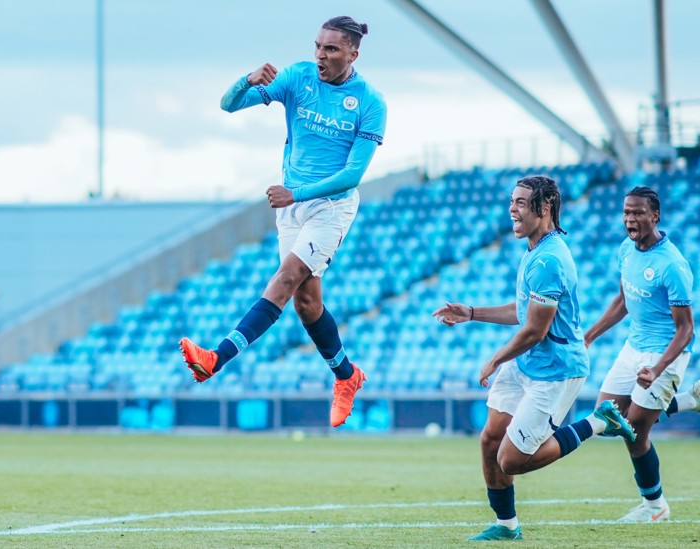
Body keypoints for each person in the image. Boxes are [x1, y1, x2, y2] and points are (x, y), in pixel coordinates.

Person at [178, 16, 387, 428]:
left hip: (331, 206)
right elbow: (229, 104)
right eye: (317, 46)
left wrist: (297, 193)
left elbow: (352, 175)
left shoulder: (369, 102)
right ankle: (347, 376)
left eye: (331, 49)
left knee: (286, 276)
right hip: (293, 207)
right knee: (307, 305)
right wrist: (248, 79)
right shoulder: (297, 78)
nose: (320, 55)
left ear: (353, 53)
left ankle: (216, 357)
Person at [433, 175, 636, 541]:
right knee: (490, 440)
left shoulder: (549, 260)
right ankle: (507, 526)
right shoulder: (535, 250)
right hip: (528, 363)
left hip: (555, 371)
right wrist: (472, 312)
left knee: (511, 459)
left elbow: (534, 331)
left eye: (521, 202)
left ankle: (600, 422)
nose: (512, 208)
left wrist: (495, 358)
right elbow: (525, 311)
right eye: (512, 200)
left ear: (544, 209)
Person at [583, 185, 700, 524]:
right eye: (626, 213)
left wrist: (658, 369)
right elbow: (622, 303)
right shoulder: (625, 251)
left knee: (634, 431)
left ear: (655, 215)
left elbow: (686, 329)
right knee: (610, 418)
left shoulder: (672, 265)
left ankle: (655, 506)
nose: (630, 219)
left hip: (665, 353)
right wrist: (588, 337)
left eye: (638, 213)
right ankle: (690, 400)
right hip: (633, 346)